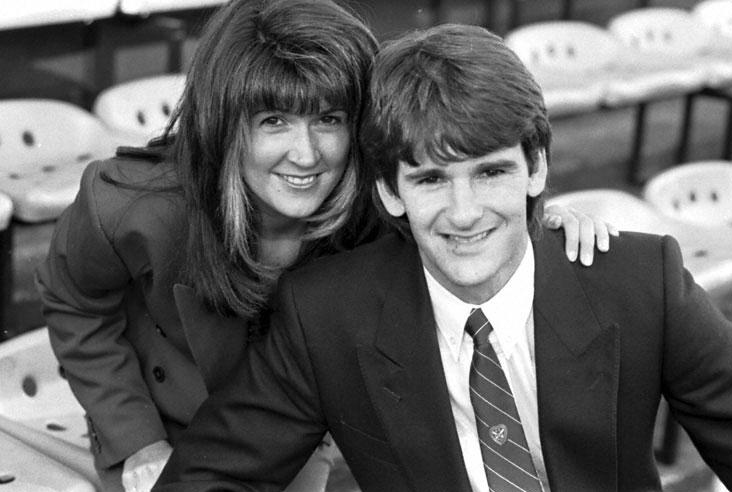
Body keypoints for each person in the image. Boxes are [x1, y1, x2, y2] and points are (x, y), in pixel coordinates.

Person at [153, 22, 732, 492]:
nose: (465, 213)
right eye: (431, 180)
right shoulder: (325, 314)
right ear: (389, 191)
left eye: (490, 172)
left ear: (536, 168)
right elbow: (208, 477)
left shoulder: (642, 281)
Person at [35, 2, 612, 491]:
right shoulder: (133, 204)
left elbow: (461, 215)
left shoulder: (378, 200)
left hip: (313, 427)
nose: (306, 155)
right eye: (274, 121)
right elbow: (74, 304)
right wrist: (136, 439)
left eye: (329, 119)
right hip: (171, 426)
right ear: (224, 122)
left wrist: (534, 229)